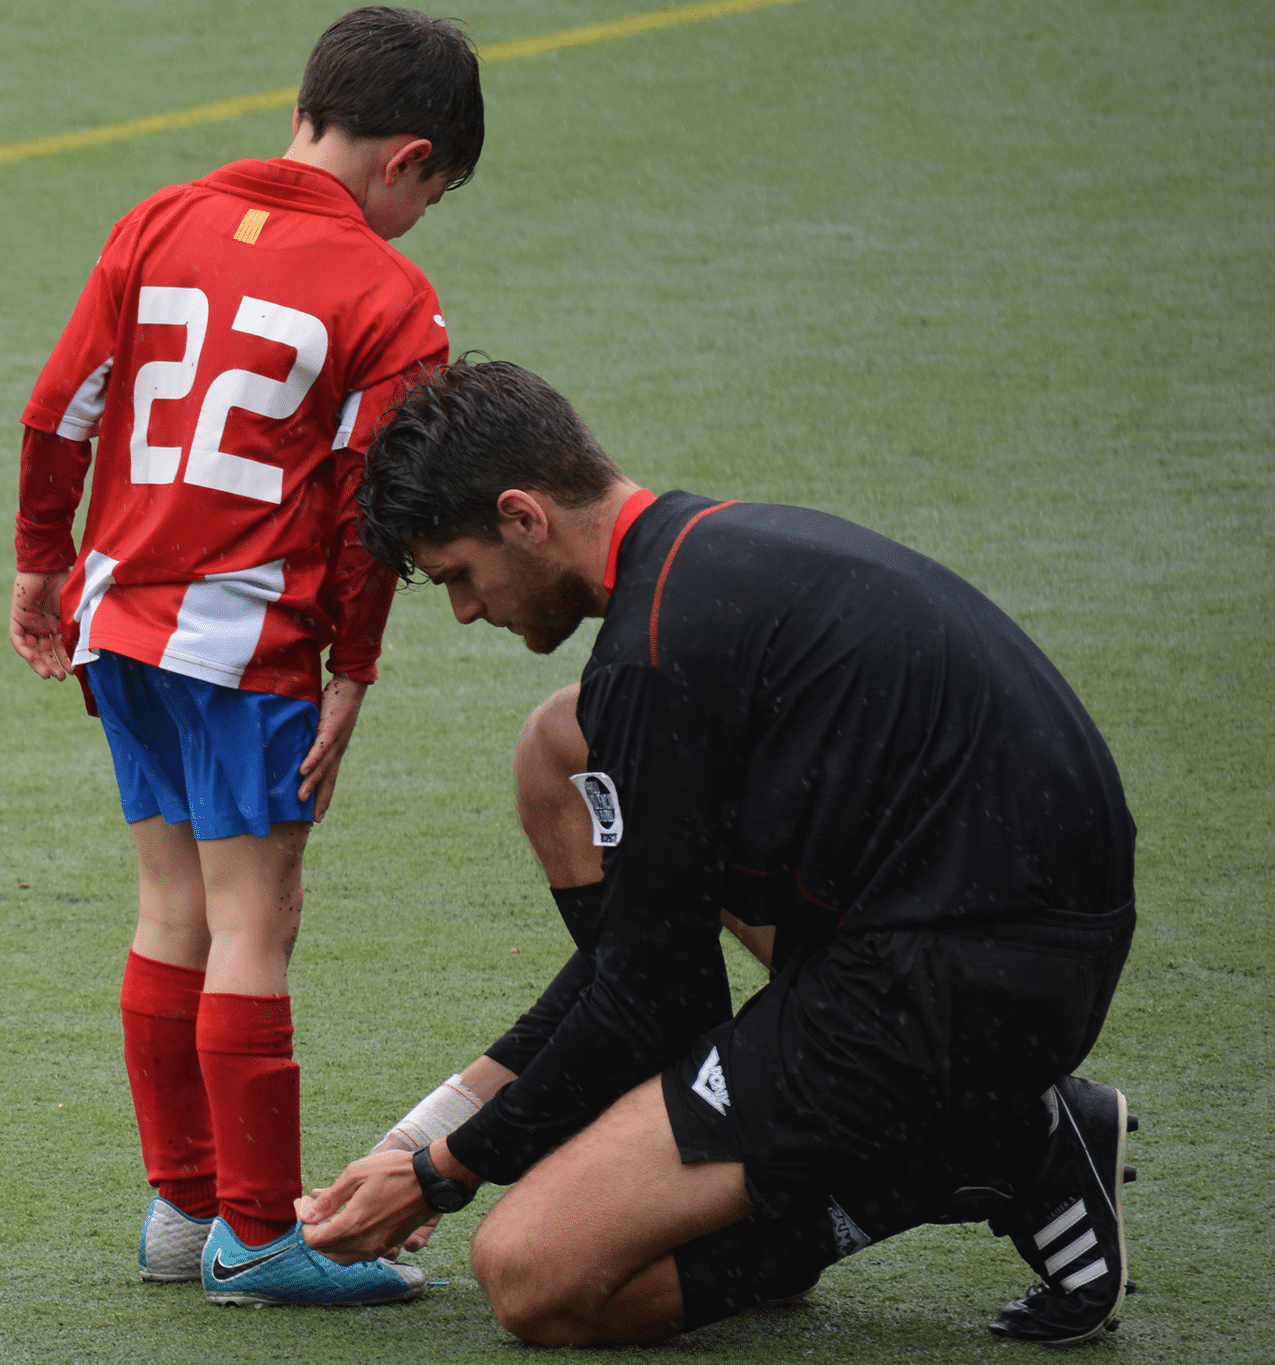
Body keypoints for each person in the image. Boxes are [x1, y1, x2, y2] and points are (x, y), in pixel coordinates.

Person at [299, 358, 1139, 1346]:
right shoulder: (706, 556)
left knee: (533, 1276)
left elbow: (657, 1001)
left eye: (457, 577)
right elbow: (635, 968)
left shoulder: (654, 660)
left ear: (523, 518)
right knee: (559, 747)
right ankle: (912, 1117)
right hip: (1012, 939)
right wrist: (416, 1140)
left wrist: (444, 1173)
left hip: (947, 988)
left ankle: (969, 1150)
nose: (465, 611)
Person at [6, 7, 484, 1309]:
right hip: (246, 641)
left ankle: (182, 1209)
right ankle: (259, 1235)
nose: (417, 223)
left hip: (120, 618)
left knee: (173, 910)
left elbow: (64, 404)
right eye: (429, 197)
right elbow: (366, 508)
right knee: (255, 920)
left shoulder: (158, 217)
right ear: (412, 159)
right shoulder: (389, 297)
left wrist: (41, 561)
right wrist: (353, 673)